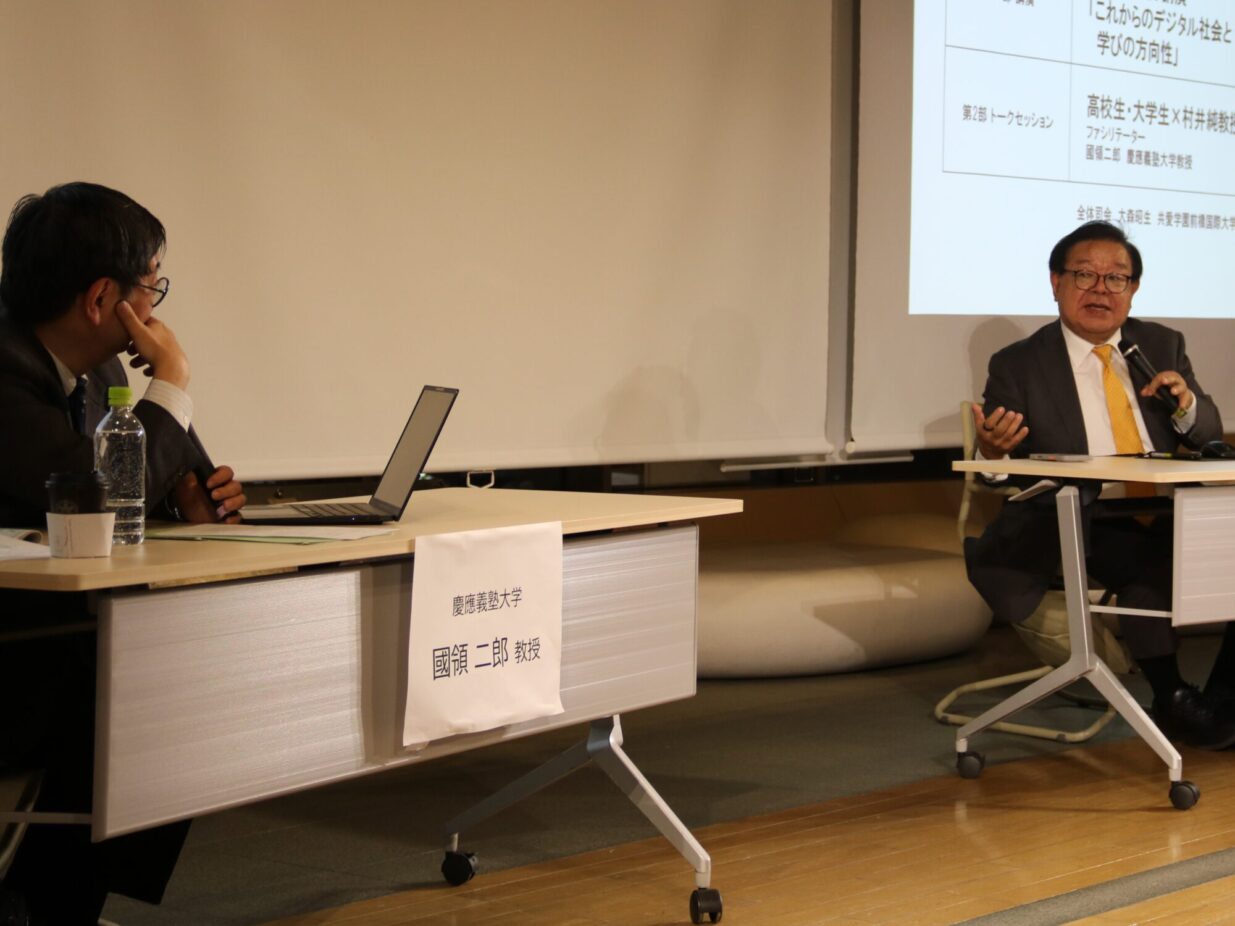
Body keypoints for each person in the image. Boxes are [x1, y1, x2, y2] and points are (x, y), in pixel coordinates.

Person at [0, 182, 246, 924]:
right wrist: (172, 381)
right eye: (152, 286)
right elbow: (92, 494)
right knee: (152, 682)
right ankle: (49, 898)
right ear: (103, 298)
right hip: (19, 644)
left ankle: (60, 897)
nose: (157, 308)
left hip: (53, 625)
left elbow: (134, 484)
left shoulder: (100, 371)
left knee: (166, 671)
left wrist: (189, 498)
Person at [964, 219, 1235, 751]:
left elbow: (1206, 434)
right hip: (1074, 516)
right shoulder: (1020, 363)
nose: (1101, 290)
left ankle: (1222, 705)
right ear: (1056, 282)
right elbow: (999, 466)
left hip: (1166, 509)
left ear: (1133, 289)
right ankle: (1174, 697)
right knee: (1150, 563)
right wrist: (993, 452)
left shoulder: (1160, 344)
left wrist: (1185, 404)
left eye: (1117, 278)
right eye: (1085, 275)